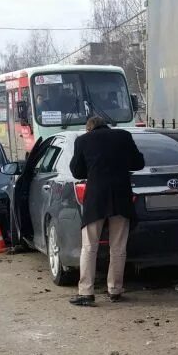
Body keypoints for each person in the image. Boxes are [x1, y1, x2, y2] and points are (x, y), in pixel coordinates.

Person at [68, 116, 145, 305]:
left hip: (96, 198)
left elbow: (77, 171)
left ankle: (86, 293)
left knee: (89, 246)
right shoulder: (123, 136)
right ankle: (115, 290)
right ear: (106, 125)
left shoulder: (83, 141)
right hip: (121, 196)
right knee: (118, 246)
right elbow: (138, 163)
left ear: (89, 128)